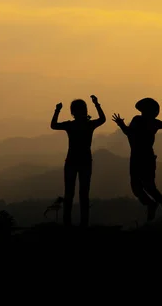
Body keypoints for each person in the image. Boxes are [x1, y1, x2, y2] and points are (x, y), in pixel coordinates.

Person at [112, 96, 162, 221]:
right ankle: (158, 204)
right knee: (141, 187)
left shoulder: (141, 120)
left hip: (141, 157)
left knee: (143, 186)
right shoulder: (149, 121)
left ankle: (157, 204)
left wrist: (121, 124)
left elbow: (129, 133)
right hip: (141, 157)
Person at [51, 95, 106, 227]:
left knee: (69, 193)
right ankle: (83, 223)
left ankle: (67, 223)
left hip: (71, 161)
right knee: (83, 193)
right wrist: (97, 104)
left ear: (72, 112)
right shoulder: (89, 124)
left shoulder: (71, 125)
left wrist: (57, 110)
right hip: (85, 161)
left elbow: (54, 125)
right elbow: (103, 119)